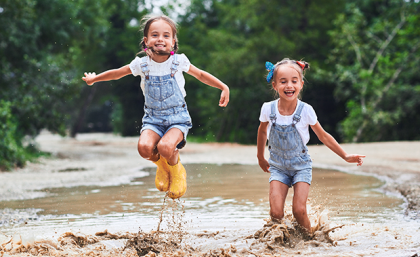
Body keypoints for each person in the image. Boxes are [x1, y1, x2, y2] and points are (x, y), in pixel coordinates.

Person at [82, 15, 229, 199]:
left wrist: (223, 86)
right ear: (146, 41)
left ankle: (177, 171)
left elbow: (200, 75)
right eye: (155, 35)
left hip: (177, 118)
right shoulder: (141, 64)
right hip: (152, 119)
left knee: (166, 147)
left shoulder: (179, 62)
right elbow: (117, 73)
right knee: (144, 148)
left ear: (173, 42)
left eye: (166, 35)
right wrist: (94, 78)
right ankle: (162, 166)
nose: (160, 39)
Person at [256, 58, 365, 235]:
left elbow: (323, 136)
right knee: (276, 213)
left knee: (299, 211)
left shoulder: (306, 110)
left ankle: (310, 240)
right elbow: (262, 132)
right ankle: (280, 242)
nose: (289, 85)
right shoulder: (268, 109)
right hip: (278, 167)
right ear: (275, 85)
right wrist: (260, 157)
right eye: (283, 82)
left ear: (301, 84)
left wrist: (345, 156)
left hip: (301, 166)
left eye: (294, 81)